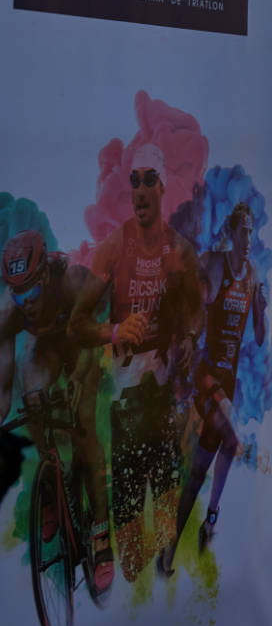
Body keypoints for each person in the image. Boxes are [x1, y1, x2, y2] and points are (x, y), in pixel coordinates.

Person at [72, 142, 202, 583]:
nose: (141, 189)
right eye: (134, 181)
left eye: (149, 179)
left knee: (167, 536)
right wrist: (113, 332)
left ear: (163, 186)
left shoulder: (178, 250)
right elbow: (76, 323)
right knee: (132, 561)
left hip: (163, 396)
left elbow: (195, 308)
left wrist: (187, 337)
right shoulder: (113, 249)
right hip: (126, 399)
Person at [157, 202, 268, 576]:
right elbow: (186, 291)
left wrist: (263, 309)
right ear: (231, 232)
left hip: (230, 379)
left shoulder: (251, 274)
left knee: (198, 471)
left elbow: (259, 335)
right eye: (243, 231)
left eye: (252, 231)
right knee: (234, 441)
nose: (249, 239)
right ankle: (213, 518)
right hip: (206, 372)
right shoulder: (214, 263)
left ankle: (169, 548)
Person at [2, 228, 113, 595]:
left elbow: (93, 334)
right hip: (47, 344)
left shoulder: (73, 281)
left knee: (83, 427)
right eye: (18, 294)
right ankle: (50, 489)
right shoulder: (10, 312)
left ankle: (100, 531)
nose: (26, 301)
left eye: (31, 290)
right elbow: (5, 390)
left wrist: (81, 376)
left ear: (46, 275)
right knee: (31, 396)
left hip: (81, 337)